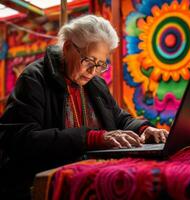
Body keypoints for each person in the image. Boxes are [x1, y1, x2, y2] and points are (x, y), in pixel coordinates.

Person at [0, 15, 169, 199]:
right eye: (89, 61)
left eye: (100, 64)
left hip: (90, 178)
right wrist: (91, 138)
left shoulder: (95, 83)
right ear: (67, 48)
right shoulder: (34, 78)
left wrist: (144, 129)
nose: (93, 71)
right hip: (41, 185)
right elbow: (19, 140)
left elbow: (119, 118)